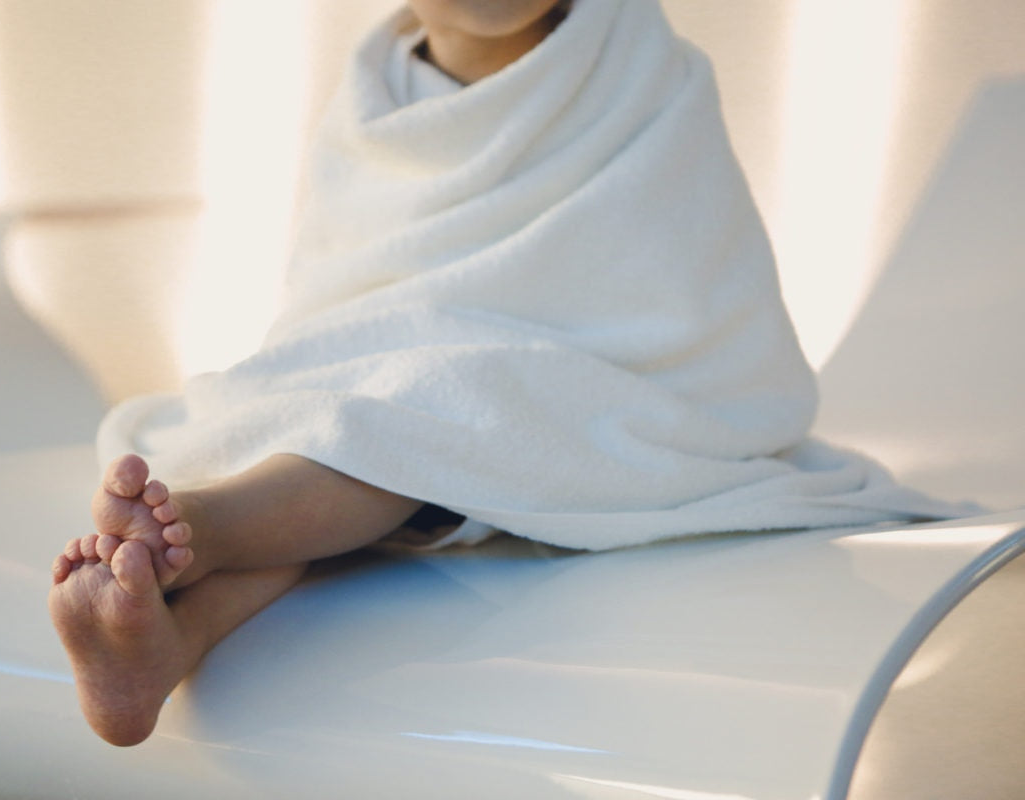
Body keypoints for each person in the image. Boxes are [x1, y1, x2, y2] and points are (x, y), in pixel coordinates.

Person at [49, 0, 963, 747]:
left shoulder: (642, 69)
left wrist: (474, 359)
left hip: (597, 387)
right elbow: (341, 298)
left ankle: (206, 526)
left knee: (447, 404)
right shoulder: (373, 99)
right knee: (338, 410)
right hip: (397, 395)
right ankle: (169, 641)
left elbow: (690, 296)